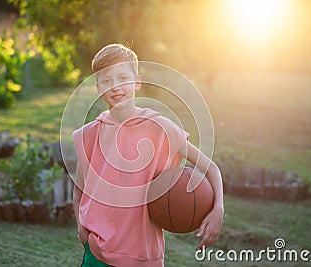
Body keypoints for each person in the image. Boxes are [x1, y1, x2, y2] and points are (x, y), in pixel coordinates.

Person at [72, 43, 224, 266]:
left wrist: (217, 209)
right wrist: (82, 230)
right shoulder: (89, 134)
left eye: (122, 77)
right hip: (97, 253)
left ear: (137, 82)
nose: (115, 87)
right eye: (106, 80)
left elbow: (211, 168)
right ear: (97, 87)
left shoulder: (160, 128)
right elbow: (79, 190)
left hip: (144, 255)